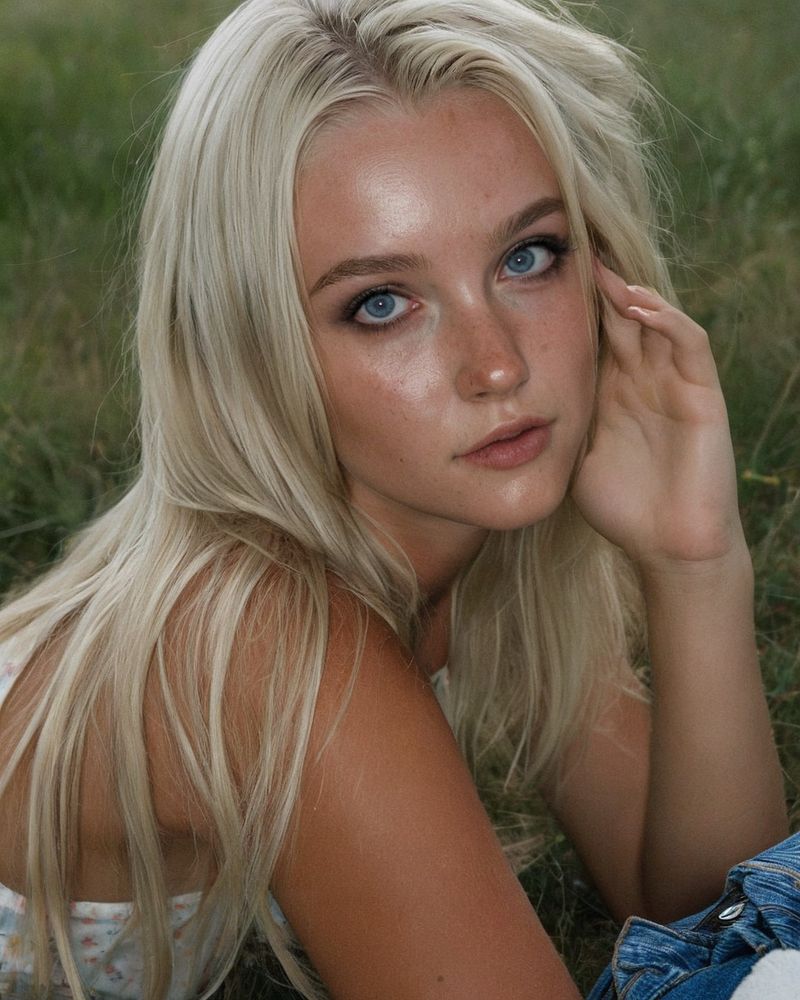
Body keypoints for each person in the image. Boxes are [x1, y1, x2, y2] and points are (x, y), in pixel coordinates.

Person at [0, 0, 790, 997]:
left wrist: (695, 562)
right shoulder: (274, 636)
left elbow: (713, 909)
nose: (496, 365)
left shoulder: (473, 545)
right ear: (252, 348)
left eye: (527, 256)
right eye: (381, 304)